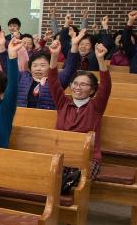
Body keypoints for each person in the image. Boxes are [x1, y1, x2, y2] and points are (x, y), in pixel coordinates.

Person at [48, 38, 111, 179]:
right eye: (75, 83)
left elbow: (106, 86)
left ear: (92, 89)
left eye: (83, 85)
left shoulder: (96, 106)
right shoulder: (63, 103)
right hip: (61, 155)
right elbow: (53, 82)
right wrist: (53, 56)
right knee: (48, 174)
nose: (77, 87)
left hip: (87, 158)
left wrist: (101, 59)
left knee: (76, 177)